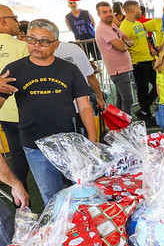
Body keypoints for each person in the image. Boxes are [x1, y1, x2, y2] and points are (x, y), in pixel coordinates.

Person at [0, 19, 96, 204]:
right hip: (35, 146)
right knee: (51, 198)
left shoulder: (69, 69)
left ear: (56, 44)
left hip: (69, 143)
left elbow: (84, 106)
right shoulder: (14, 70)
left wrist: (92, 141)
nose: (37, 45)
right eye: (32, 39)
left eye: (44, 41)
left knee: (81, 191)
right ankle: (58, 231)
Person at [0, 6, 30, 191]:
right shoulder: (22, 47)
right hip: (28, 111)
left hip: (4, 112)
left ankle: (22, 203)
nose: (18, 22)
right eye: (14, 18)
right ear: (3, 21)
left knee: (18, 158)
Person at [118, 0, 157, 123]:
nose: (141, 11)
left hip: (149, 60)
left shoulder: (138, 24)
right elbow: (123, 46)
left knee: (159, 85)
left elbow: (144, 38)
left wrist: (151, 49)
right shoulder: (124, 27)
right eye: (139, 9)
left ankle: (144, 110)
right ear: (133, 10)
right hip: (138, 63)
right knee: (143, 89)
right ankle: (146, 114)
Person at [95, 1, 135, 115]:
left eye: (110, 11)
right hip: (118, 70)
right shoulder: (103, 29)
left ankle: (119, 127)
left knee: (122, 99)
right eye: (104, 12)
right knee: (127, 99)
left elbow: (127, 39)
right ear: (99, 14)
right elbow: (122, 47)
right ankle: (126, 127)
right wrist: (123, 44)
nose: (109, 14)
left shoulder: (112, 26)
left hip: (123, 69)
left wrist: (123, 43)